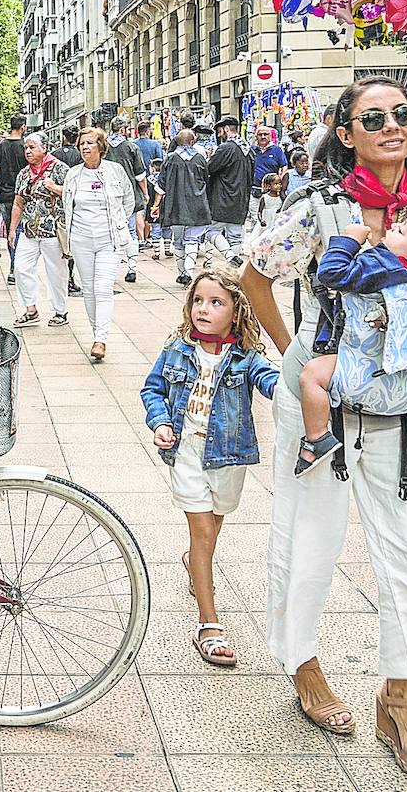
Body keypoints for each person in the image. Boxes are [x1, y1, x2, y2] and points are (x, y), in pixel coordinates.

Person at [243, 75, 407, 784]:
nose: (391, 125)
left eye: (402, 114)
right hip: (326, 399)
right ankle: (305, 666)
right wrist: (299, 352)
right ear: (345, 133)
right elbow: (258, 275)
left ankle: (402, 699)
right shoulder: (320, 207)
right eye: (372, 117)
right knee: (306, 538)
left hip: (402, 404)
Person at [140, 267, 280, 667]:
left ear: (236, 311)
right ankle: (209, 622)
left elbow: (271, 381)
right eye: (198, 300)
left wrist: (299, 383)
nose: (204, 309)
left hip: (229, 456)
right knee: (202, 532)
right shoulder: (177, 348)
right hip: (186, 450)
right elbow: (152, 388)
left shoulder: (246, 357)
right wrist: (161, 421)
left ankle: (192, 563)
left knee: (214, 525)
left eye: (216, 302)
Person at [294, 208, 407, 498]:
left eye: (402, 231)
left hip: (365, 380)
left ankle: (316, 438)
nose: (394, 227)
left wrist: (348, 241)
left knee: (311, 376)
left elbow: (332, 273)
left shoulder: (382, 267)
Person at [63, 127, 134, 362]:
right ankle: (97, 334)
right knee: (89, 288)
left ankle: (101, 339)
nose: (85, 147)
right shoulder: (73, 174)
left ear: (101, 147)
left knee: (103, 287)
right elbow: (67, 206)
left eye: (90, 143)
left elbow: (128, 201)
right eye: (82, 143)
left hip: (109, 238)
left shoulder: (116, 171)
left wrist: (118, 224)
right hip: (81, 238)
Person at [8, 134, 69, 328]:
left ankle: (60, 311)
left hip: (53, 230)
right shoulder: (24, 173)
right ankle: (30, 309)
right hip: (29, 231)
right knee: (21, 267)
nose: (28, 151)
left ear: (44, 148)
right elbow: (18, 203)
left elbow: (73, 193)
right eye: (26, 147)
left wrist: (54, 188)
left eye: (32, 147)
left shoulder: (59, 168)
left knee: (56, 272)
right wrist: (12, 229)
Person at [155, 129, 223, 286]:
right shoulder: (200, 159)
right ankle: (189, 272)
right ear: (193, 142)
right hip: (197, 204)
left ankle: (182, 273)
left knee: (178, 241)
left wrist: (155, 205)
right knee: (192, 239)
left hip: (175, 204)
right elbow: (207, 179)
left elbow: (161, 184)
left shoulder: (170, 158)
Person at [106, 115, 148, 284]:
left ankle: (109, 269)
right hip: (129, 194)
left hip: (107, 194)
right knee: (131, 232)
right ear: (123, 129)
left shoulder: (103, 147)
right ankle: (131, 267)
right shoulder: (132, 147)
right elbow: (140, 175)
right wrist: (145, 193)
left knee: (109, 232)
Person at [0, 116, 28, 280]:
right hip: (25, 195)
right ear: (23, 127)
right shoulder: (26, 147)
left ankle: (14, 267)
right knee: (23, 232)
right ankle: (19, 266)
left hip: (5, 196)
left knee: (13, 230)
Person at [205, 116, 253, 253]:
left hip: (222, 198)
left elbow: (210, 168)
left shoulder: (226, 148)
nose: (219, 135)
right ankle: (233, 268)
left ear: (226, 129)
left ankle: (231, 257)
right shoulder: (248, 149)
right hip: (241, 199)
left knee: (211, 232)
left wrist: (210, 156)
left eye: (220, 131)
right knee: (235, 237)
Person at [250, 125, 289, 200]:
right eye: (260, 135)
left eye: (266, 134)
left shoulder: (277, 150)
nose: (263, 136)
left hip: (272, 193)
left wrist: (279, 181)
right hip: (255, 191)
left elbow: (284, 167)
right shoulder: (251, 151)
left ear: (270, 136)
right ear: (256, 137)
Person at [248, 172, 287, 239]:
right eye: (276, 184)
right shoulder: (265, 197)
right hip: (267, 220)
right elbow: (259, 211)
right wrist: (261, 220)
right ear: (269, 186)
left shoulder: (281, 197)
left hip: (276, 220)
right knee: (264, 236)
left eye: (280, 184)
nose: (279, 186)